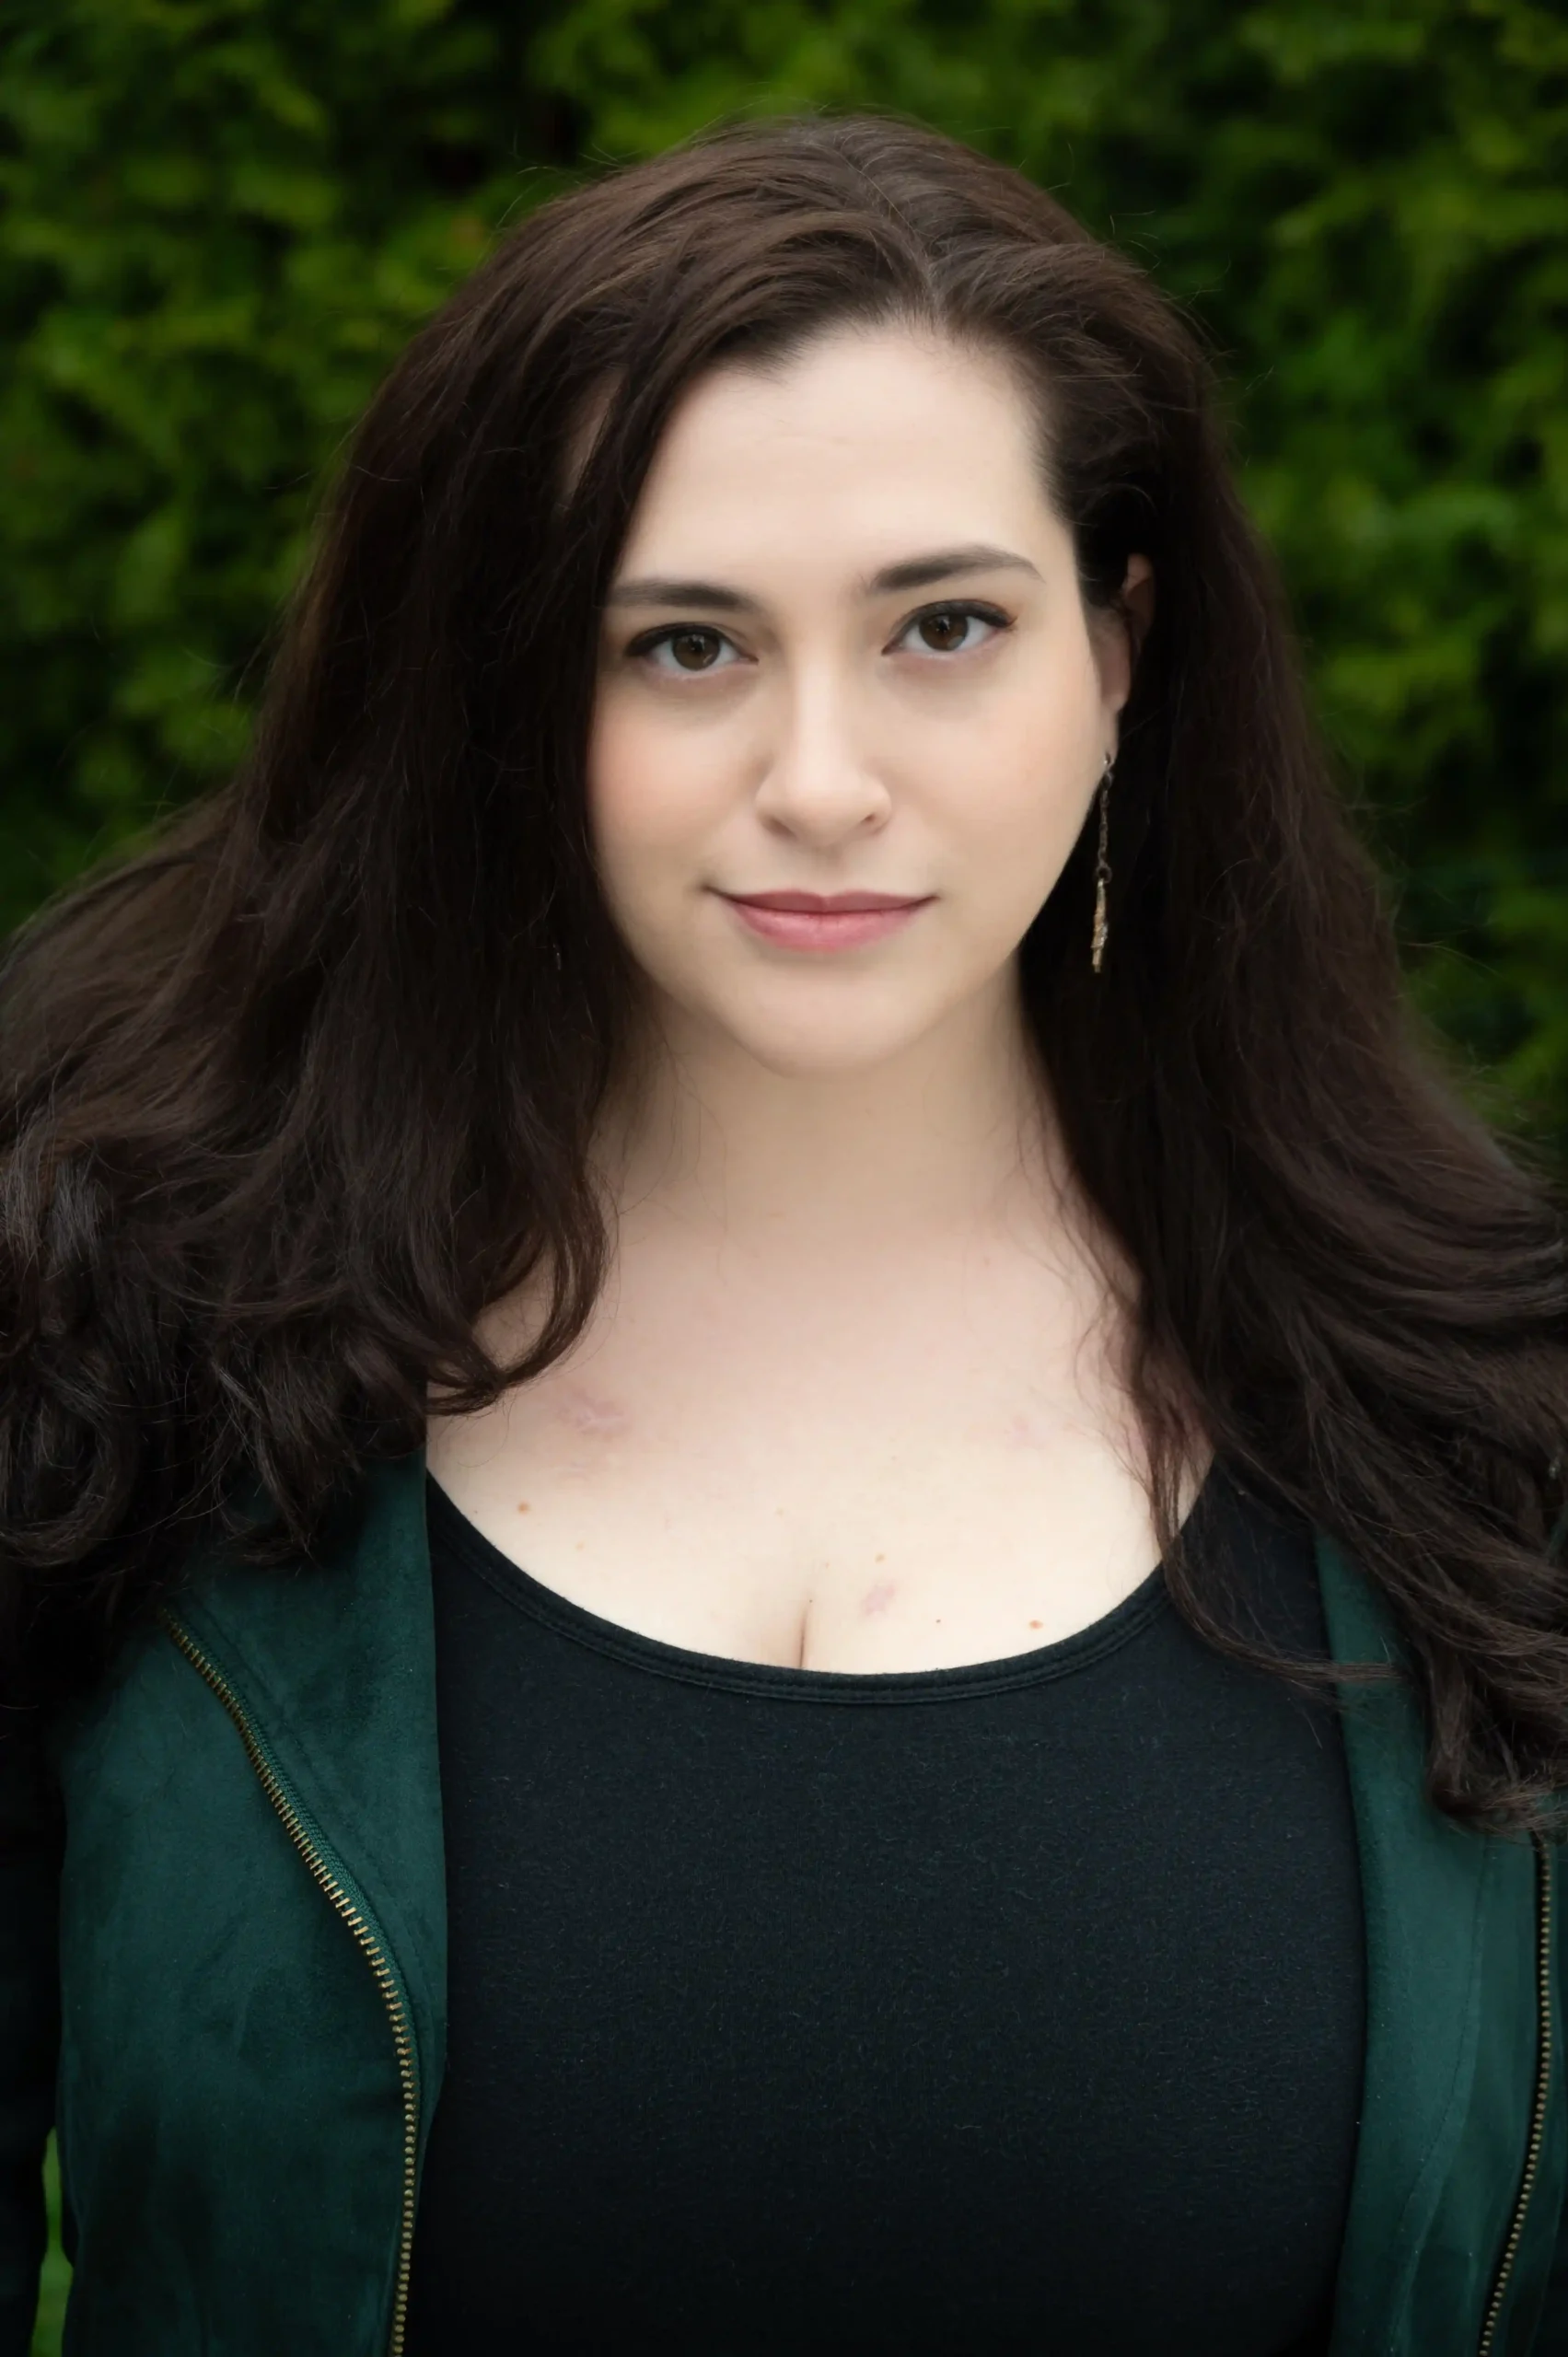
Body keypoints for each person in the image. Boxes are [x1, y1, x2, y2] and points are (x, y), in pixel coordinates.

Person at [2, 109, 1566, 2357]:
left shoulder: (1482, 1438)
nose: (821, 773)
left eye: (942, 624)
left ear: (1118, 656)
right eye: (683, 646)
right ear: (510, 696)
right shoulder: (112, 1358)